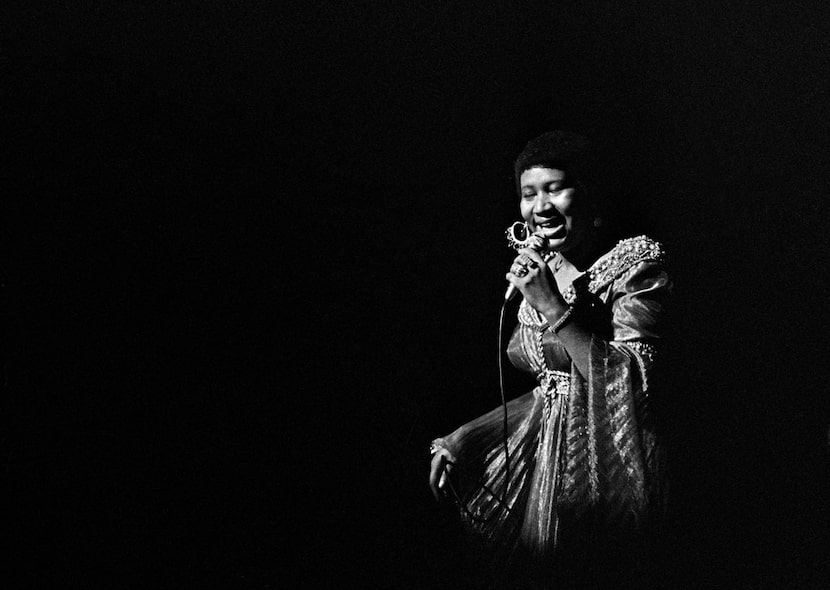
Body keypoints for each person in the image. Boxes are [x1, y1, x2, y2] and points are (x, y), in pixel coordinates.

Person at [428, 131, 672, 589]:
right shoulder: (543, 269)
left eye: (555, 188)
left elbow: (632, 382)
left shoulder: (635, 268)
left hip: (613, 462)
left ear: (590, 194)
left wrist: (555, 310)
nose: (540, 206)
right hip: (547, 458)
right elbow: (551, 387)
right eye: (528, 193)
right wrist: (464, 437)